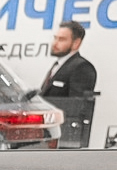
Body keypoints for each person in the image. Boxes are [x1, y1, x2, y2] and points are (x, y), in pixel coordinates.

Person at [39, 19, 98, 148]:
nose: (55, 43)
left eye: (61, 39)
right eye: (55, 38)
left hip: (64, 139)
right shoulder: (57, 65)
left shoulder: (82, 67)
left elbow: (76, 107)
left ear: (76, 43)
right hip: (49, 136)